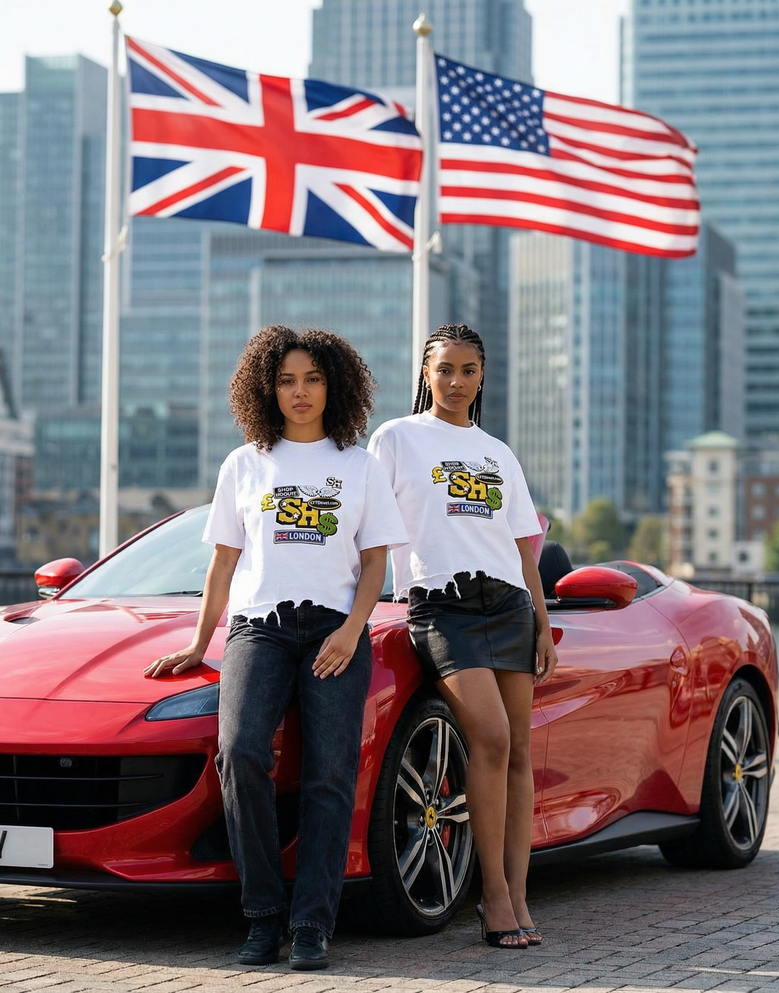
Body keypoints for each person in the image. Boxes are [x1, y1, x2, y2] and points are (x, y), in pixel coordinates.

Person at [145, 326, 407, 971]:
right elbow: (222, 566)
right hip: (258, 629)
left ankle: (313, 923)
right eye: (287, 380)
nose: (300, 392)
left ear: (334, 385)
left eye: (312, 379)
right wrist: (200, 640)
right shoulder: (245, 463)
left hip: (334, 632)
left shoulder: (357, 464)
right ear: (267, 388)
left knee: (329, 774)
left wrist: (352, 631)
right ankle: (262, 916)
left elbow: (376, 564)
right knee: (238, 753)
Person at [368, 323, 558, 950]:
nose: (456, 381)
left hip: (507, 604)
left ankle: (520, 896)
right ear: (426, 373)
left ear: (482, 376)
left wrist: (542, 623)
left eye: (469, 370)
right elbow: (365, 530)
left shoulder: (498, 453)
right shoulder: (395, 439)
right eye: (445, 368)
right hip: (441, 606)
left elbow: (524, 550)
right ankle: (493, 897)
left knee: (520, 754)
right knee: (493, 737)